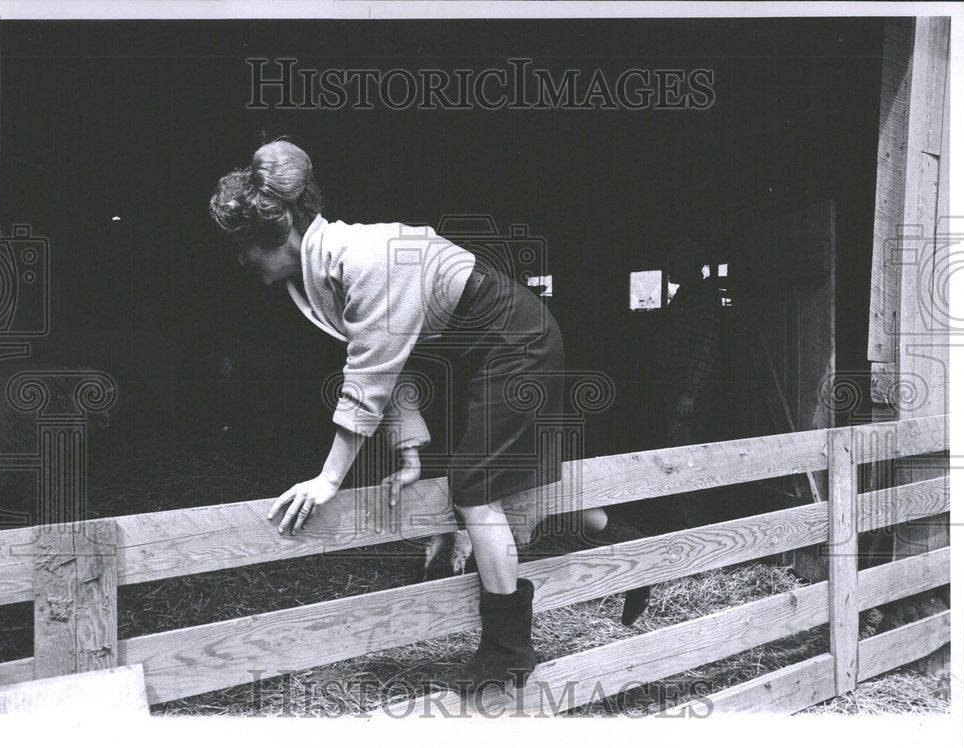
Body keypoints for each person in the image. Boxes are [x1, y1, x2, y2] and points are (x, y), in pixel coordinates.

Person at [208, 139, 648, 695]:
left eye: (246, 247)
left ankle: (507, 648)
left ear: (280, 234)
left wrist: (328, 479)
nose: (243, 261)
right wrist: (410, 450)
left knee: (473, 488)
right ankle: (630, 541)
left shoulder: (362, 259)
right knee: (514, 486)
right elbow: (392, 364)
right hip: (495, 348)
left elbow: (368, 377)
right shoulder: (329, 266)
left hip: (516, 343)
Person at [662, 240, 722, 529]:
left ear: (689, 264)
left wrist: (690, 392)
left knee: (688, 453)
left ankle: (691, 525)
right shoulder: (687, 294)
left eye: (675, 261)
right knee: (677, 448)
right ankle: (681, 520)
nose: (670, 267)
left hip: (689, 393)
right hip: (678, 387)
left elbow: (705, 347)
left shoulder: (703, 296)